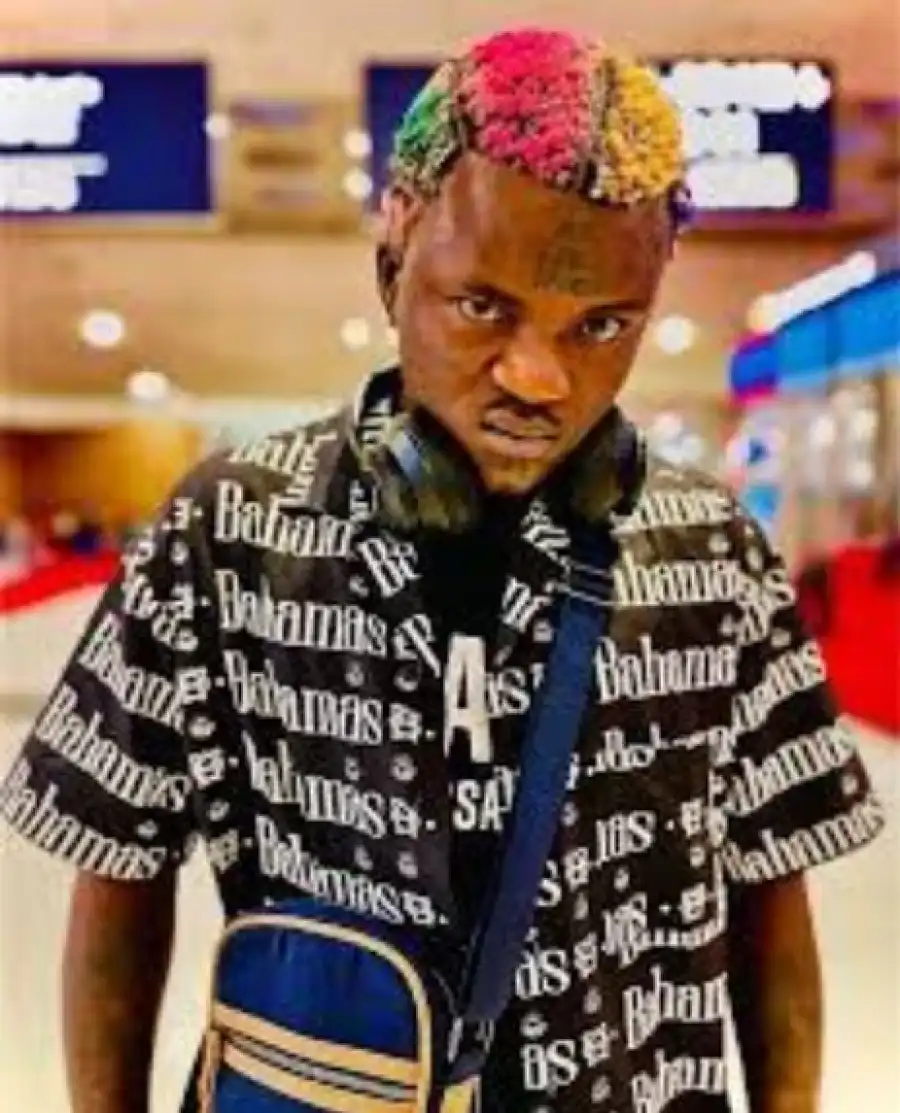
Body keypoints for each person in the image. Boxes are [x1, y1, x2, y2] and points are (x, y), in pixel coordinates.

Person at [0, 26, 886, 1113]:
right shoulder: (229, 530)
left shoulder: (715, 553)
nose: (540, 377)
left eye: (602, 325)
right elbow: (118, 867)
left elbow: (771, 894)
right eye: (484, 307)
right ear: (393, 264)